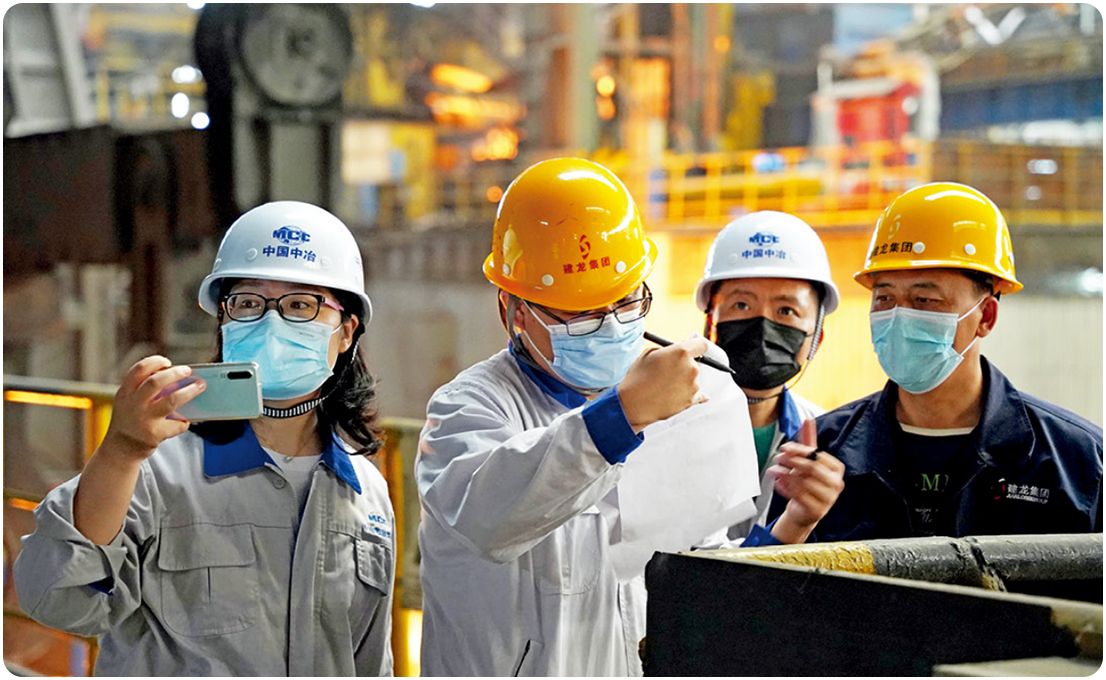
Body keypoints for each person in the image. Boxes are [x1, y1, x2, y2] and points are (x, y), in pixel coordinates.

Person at [14, 201, 395, 676]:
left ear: (346, 332)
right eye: (248, 303)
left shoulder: (366, 493)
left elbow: (370, 663)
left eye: (300, 305)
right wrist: (119, 453)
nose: (271, 322)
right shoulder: (154, 469)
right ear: (224, 320)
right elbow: (57, 599)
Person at [416, 157, 757, 677]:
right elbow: (492, 516)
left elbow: (704, 567)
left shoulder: (673, 403)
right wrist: (622, 417)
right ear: (512, 310)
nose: (611, 326)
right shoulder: (466, 411)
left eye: (626, 302)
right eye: (581, 313)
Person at [776, 182, 1103, 541]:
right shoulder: (820, 455)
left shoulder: (1078, 464)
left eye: (924, 300)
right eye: (884, 298)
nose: (898, 316)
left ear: (986, 317)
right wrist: (796, 524)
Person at [694, 211, 846, 543]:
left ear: (816, 339)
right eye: (742, 305)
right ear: (710, 325)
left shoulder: (829, 441)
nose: (762, 325)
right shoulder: (663, 427)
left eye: (786, 311)